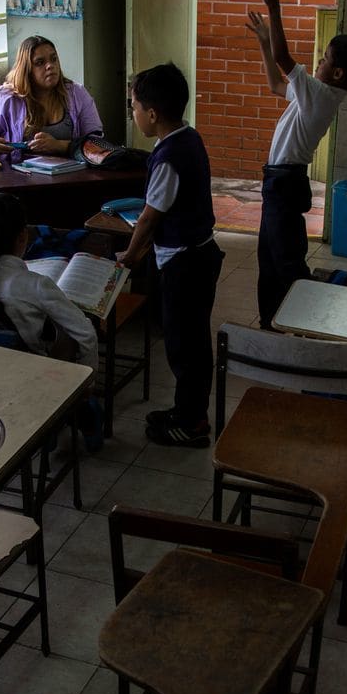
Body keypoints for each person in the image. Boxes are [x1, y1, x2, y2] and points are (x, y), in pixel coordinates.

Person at [246, 0, 347, 328]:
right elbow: (276, 84)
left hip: (285, 185)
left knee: (286, 263)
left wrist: (274, 6)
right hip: (279, 182)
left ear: (336, 72)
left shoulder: (320, 95)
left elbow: (283, 58)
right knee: (270, 260)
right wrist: (262, 41)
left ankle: (310, 320)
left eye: (323, 59)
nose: (317, 63)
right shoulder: (315, 96)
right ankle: (272, 324)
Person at [117, 63, 224, 448]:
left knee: (185, 346)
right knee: (190, 341)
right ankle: (185, 411)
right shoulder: (187, 137)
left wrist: (129, 256)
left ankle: (192, 423)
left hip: (186, 264)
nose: (133, 113)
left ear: (152, 114)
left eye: (134, 106)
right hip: (198, 254)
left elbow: (148, 218)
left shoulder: (168, 159)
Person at [0, 192, 104, 450]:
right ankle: (79, 410)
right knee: (65, 333)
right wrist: (87, 386)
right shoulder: (36, 285)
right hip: (30, 386)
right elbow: (87, 334)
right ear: (23, 236)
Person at [0, 36, 104, 162]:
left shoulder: (77, 94)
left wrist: (59, 146)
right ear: (26, 69)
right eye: (40, 62)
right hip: (20, 180)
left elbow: (96, 143)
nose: (50, 66)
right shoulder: (6, 98)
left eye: (53, 59)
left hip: (71, 178)